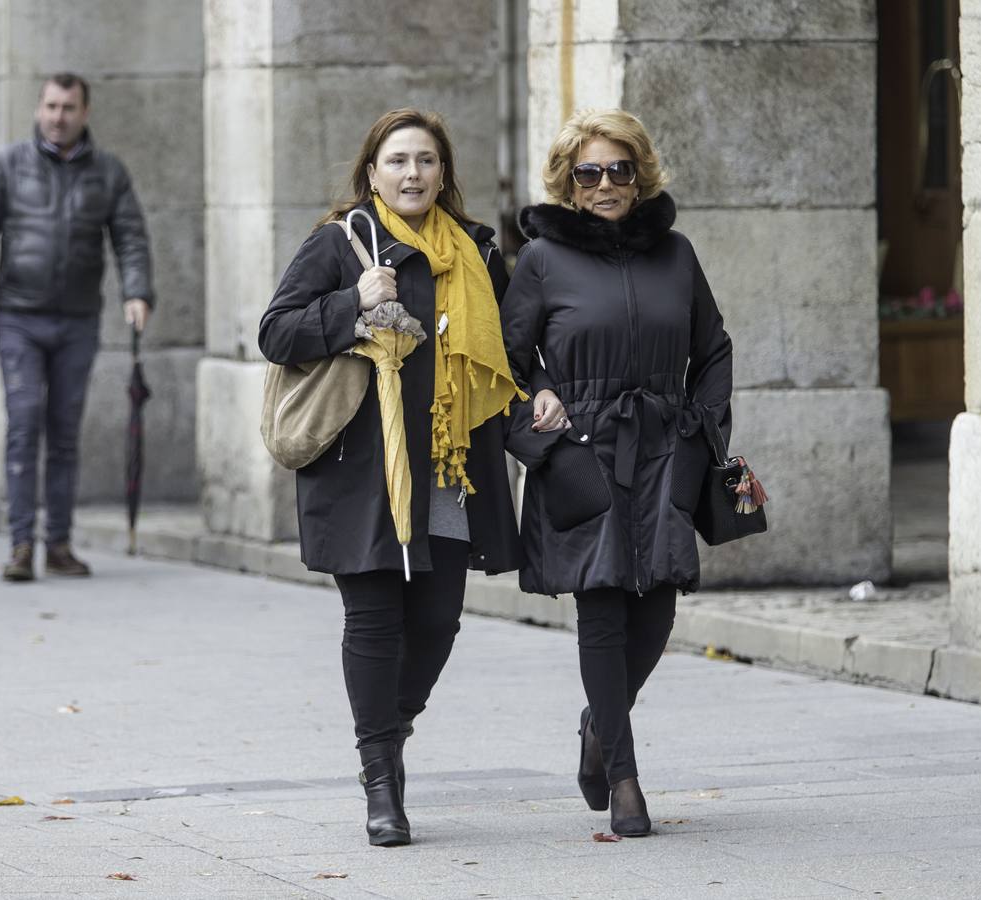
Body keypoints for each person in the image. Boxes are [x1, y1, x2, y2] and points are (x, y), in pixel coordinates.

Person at [259, 109, 563, 847]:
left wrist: (543, 383)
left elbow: (514, 345)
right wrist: (350, 304)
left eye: (425, 161)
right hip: (364, 471)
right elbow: (276, 331)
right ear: (372, 173)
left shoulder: (480, 252)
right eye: (397, 161)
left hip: (452, 468)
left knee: (437, 620)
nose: (412, 174)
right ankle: (381, 785)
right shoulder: (341, 244)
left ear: (443, 173)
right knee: (372, 618)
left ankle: (388, 735)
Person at [502, 108, 734, 837]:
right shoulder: (541, 260)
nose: (606, 184)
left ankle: (600, 724)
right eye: (590, 172)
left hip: (665, 446)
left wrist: (704, 427)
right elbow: (504, 367)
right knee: (601, 605)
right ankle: (626, 779)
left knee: (658, 606)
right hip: (581, 449)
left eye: (619, 170)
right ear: (570, 183)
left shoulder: (677, 253)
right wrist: (542, 413)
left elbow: (715, 347)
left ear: (640, 175)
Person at [0, 72, 154, 583]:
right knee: (24, 425)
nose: (58, 116)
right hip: (19, 315)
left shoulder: (107, 172)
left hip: (78, 319)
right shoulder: (6, 165)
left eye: (68, 107)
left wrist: (137, 292)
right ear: (38, 109)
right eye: (50, 106)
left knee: (64, 433)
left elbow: (130, 235)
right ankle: (21, 545)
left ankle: (58, 544)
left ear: (84, 112)